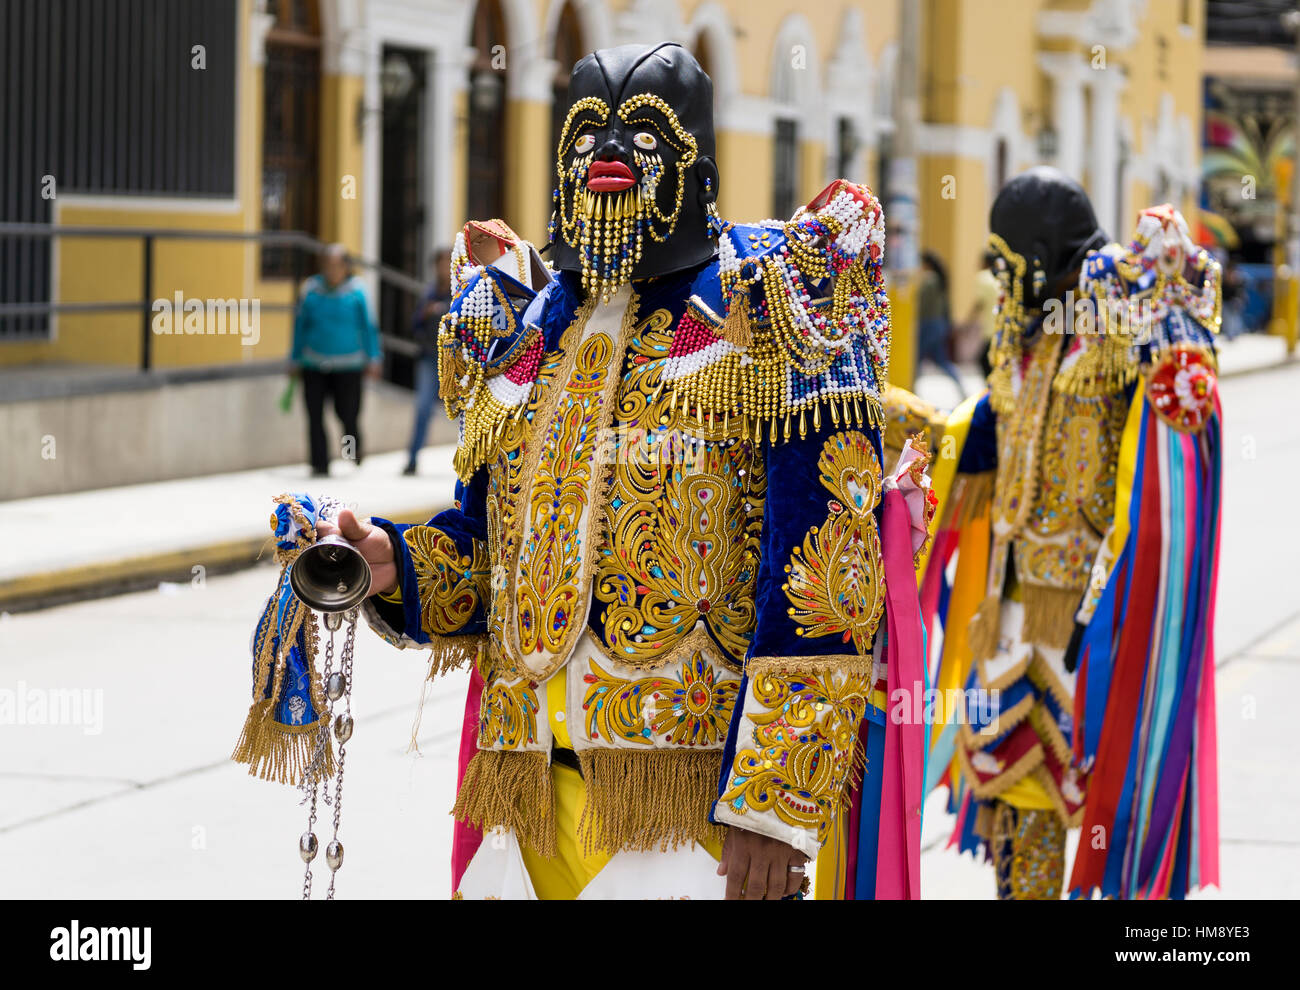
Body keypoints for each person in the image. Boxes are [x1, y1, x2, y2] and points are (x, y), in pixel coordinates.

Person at [313, 43, 931, 900]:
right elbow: (487, 547)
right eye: (585, 133)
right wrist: (399, 568)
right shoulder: (534, 320)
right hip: (524, 803)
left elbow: (826, 569)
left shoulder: (769, 303)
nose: (605, 154)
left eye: (640, 133)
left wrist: (773, 804)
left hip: (692, 814)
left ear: (699, 166)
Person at [925, 170, 1223, 900]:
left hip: (1098, 621)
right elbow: (988, 434)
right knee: (1015, 806)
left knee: (1109, 807)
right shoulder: (1021, 330)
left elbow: (1179, 427)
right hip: (1012, 618)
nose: (996, 277)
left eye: (1004, 259)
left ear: (1038, 252)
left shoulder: (1121, 326)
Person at [291, 244, 383, 476]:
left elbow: (368, 327)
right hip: (314, 363)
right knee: (315, 416)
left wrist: (374, 357)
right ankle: (319, 464)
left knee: (347, 414)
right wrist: (294, 357)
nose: (332, 271)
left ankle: (352, 452)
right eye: (328, 265)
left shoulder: (357, 291)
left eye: (337, 266)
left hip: (349, 366)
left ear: (346, 267)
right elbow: (300, 326)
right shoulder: (311, 290)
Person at [403, 248, 453, 476]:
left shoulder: (461, 292)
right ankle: (412, 459)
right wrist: (426, 312)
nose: (443, 268)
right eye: (440, 264)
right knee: (423, 408)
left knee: (465, 411)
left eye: (447, 263)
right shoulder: (428, 293)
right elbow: (414, 325)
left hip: (454, 361)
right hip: (429, 358)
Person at [918, 250, 966, 397]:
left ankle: (910, 389)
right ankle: (961, 388)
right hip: (939, 324)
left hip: (928, 325)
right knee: (942, 360)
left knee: (917, 358)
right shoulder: (940, 281)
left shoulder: (930, 280)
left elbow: (922, 304)